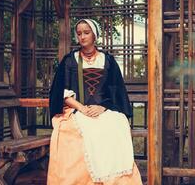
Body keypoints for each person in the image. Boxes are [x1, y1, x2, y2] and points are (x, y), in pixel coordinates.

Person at [47, 18, 143, 185]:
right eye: (79, 33)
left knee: (115, 124)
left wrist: (103, 107)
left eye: (86, 32)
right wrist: (82, 109)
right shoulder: (70, 60)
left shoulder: (108, 61)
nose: (82, 37)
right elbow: (61, 92)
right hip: (76, 109)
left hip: (103, 109)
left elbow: (115, 91)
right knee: (74, 130)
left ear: (95, 35)